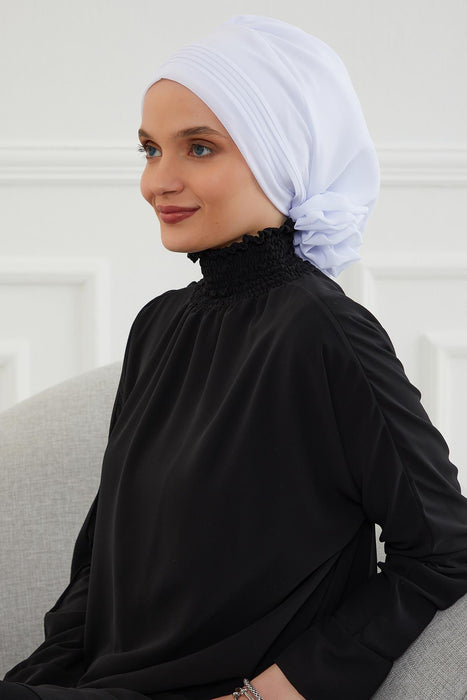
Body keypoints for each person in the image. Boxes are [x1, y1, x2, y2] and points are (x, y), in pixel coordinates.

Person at [2, 14, 467, 700]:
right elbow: (101, 564)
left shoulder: (325, 332)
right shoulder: (159, 325)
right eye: (149, 150)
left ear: (282, 155)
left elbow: (442, 547)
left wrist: (268, 695)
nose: (157, 181)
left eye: (198, 148)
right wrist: (41, 674)